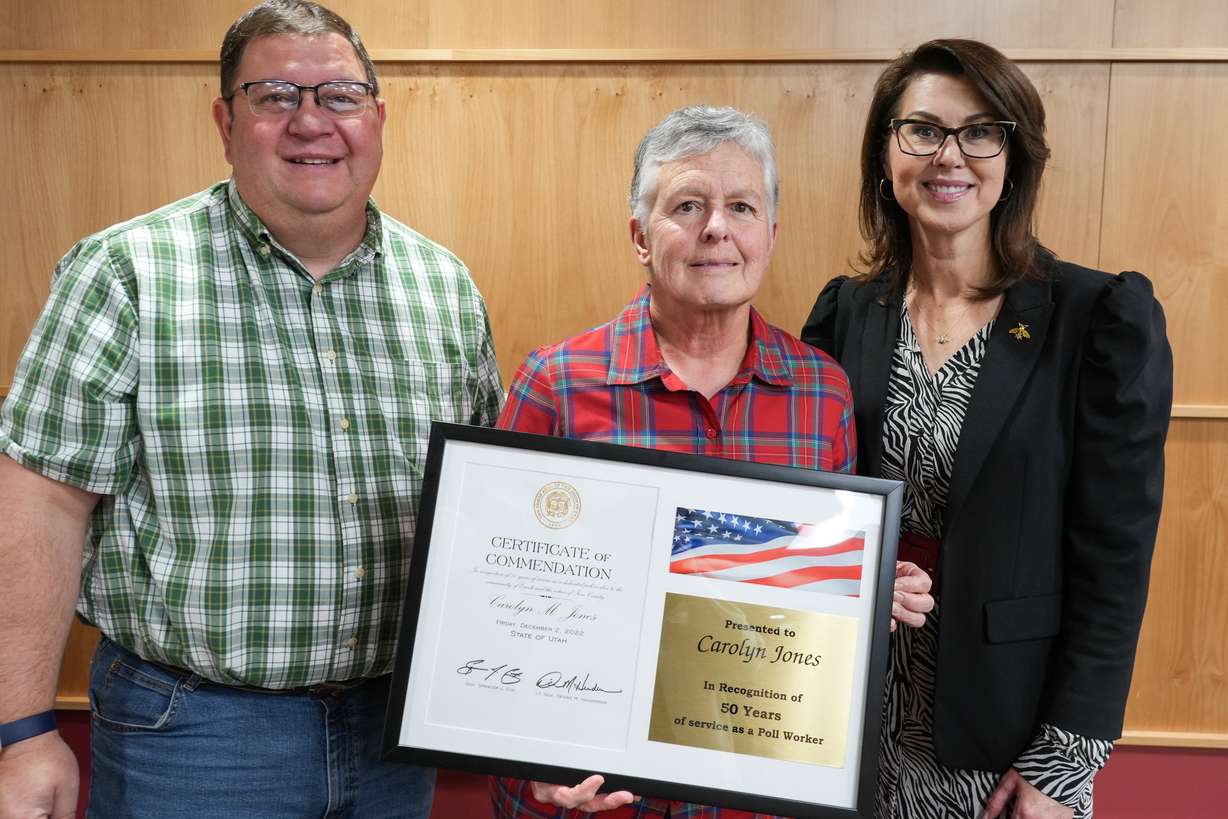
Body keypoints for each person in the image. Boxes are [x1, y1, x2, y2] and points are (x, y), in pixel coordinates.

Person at [0, 2, 501, 817]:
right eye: (274, 96)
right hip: (194, 735)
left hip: (393, 736)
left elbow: (482, 519)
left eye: (338, 96)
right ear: (225, 123)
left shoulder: (443, 288)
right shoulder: (126, 272)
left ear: (377, 118)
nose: (312, 121)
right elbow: (38, 504)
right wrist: (20, 730)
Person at [488, 105, 934, 819]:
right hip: (602, 797)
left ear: (770, 235)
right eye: (687, 206)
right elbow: (496, 606)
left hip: (758, 794)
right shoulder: (557, 384)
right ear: (640, 236)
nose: (716, 228)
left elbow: (815, 595)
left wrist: (869, 586)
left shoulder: (822, 392)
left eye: (741, 206)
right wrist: (528, 761)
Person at [800, 39, 1172, 819]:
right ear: (886, 151)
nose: (951, 156)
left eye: (980, 132)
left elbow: (1116, 560)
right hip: (844, 723)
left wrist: (1066, 758)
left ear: (1013, 157)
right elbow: (815, 512)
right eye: (923, 130)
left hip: (1008, 740)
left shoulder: (1098, 319)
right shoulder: (845, 314)